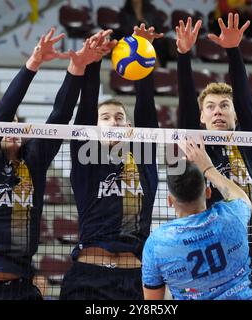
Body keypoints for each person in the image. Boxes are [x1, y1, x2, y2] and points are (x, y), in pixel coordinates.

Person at [0, 28, 107, 300]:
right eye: (3, 124)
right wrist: (34, 62)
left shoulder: (33, 161)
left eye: (15, 122)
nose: (11, 126)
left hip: (21, 287)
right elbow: (4, 109)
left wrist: (77, 67)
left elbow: (60, 115)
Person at [59, 24, 161, 300]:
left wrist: (143, 51)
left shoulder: (143, 158)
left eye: (119, 117)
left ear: (130, 127)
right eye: (105, 117)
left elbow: (147, 108)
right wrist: (94, 60)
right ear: (95, 126)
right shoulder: (85, 157)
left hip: (134, 281)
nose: (113, 121)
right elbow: (86, 106)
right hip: (89, 279)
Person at [175, 14, 252, 299]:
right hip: (212, 256)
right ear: (202, 117)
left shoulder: (251, 141)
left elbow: (243, 92)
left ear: (235, 114)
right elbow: (186, 102)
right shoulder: (199, 143)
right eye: (211, 107)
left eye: (225, 106)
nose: (217, 111)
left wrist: (233, 50)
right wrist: (183, 55)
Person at [142, 137, 252, 300]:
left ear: (170, 201)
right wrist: (208, 167)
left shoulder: (157, 244)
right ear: (208, 192)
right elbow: (243, 199)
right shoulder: (233, 216)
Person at [117, 0, 171, 67]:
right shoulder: (123, 12)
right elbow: (124, 32)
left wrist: (149, 35)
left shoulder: (151, 10)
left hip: (153, 42)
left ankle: (158, 71)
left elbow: (158, 28)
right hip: (133, 42)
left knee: (157, 45)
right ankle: (157, 70)